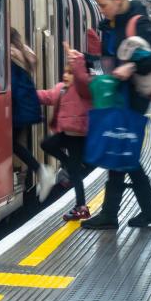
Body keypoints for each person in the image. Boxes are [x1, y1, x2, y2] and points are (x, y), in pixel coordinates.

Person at [83, 0, 151, 230]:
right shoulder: (111, 25)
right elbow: (110, 60)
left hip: (135, 97)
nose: (101, 9)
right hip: (120, 95)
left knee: (123, 153)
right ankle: (142, 212)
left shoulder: (138, 23)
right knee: (122, 153)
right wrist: (85, 59)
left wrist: (132, 66)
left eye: (103, 5)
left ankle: (112, 214)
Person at [37, 47, 93, 221]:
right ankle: (69, 165)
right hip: (66, 134)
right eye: (65, 73)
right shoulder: (61, 89)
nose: (66, 76)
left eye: (70, 73)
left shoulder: (83, 89)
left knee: (75, 172)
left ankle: (81, 206)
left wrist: (76, 61)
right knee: (46, 143)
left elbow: (83, 81)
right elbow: (46, 96)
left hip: (79, 136)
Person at [10, 27, 56, 200]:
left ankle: (41, 171)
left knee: (12, 144)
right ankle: (40, 172)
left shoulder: (10, 53)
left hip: (19, 107)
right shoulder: (23, 51)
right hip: (27, 107)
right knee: (15, 143)